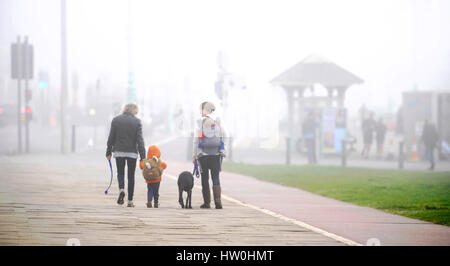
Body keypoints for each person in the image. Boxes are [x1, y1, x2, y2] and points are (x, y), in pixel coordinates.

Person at [106, 103, 146, 207]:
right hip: (132, 153)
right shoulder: (137, 122)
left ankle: (122, 189)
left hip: (119, 151)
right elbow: (140, 140)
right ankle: (130, 201)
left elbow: (111, 137)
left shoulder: (116, 120)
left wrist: (108, 151)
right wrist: (143, 157)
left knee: (120, 173)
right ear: (134, 111)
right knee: (131, 176)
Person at [193, 101, 226, 209]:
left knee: (205, 178)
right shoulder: (217, 123)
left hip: (204, 155)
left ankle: (207, 203)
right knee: (215, 177)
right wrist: (222, 150)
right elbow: (223, 136)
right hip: (216, 155)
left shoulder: (201, 123)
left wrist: (195, 155)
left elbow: (196, 140)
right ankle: (218, 202)